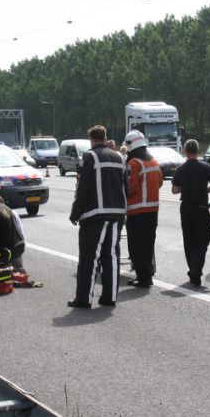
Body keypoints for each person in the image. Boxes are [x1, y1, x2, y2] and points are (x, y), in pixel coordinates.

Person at [68, 125, 127, 308]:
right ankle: (110, 297)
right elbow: (125, 187)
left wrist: (75, 213)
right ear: (105, 138)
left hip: (94, 215)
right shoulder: (119, 157)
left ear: (91, 140)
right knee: (111, 257)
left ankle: (84, 298)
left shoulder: (90, 157)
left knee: (89, 258)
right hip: (116, 214)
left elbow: (82, 188)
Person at [171, 139, 210, 287]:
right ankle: (196, 269)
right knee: (203, 239)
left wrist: (185, 188)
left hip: (186, 209)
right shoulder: (206, 167)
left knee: (189, 240)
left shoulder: (180, 169)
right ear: (198, 151)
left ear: (185, 151)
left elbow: (174, 190)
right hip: (202, 209)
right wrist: (204, 189)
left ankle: (193, 269)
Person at [123, 130, 163, 287]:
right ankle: (147, 275)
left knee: (136, 247)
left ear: (131, 145)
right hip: (153, 211)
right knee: (148, 245)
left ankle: (143, 278)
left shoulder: (134, 163)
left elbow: (130, 187)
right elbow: (160, 182)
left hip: (136, 212)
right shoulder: (153, 161)